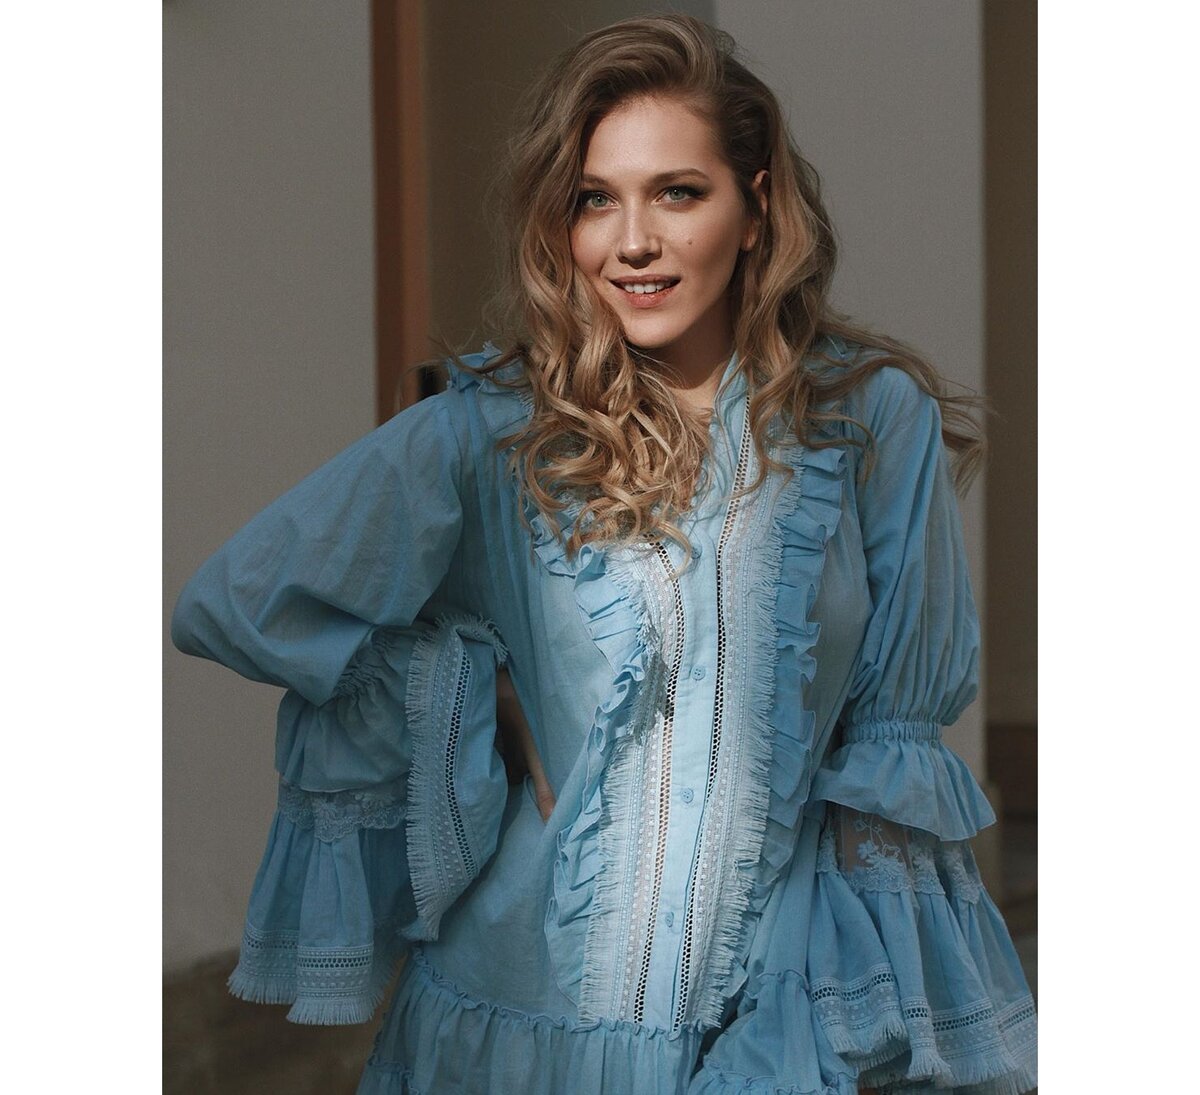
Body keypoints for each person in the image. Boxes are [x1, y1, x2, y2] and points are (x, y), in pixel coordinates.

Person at [171, 14, 1036, 1094]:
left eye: (677, 192)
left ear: (756, 207)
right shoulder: (492, 432)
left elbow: (890, 751)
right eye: (595, 199)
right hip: (524, 1021)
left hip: (779, 1012)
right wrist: (473, 689)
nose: (633, 242)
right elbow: (239, 602)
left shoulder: (869, 420)